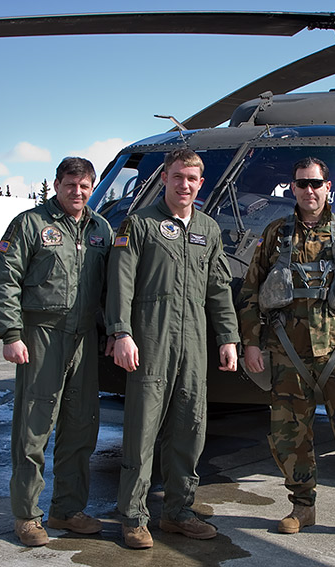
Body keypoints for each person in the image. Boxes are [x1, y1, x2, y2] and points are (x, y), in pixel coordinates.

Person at [238, 156, 335, 541]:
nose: (309, 190)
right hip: (287, 353)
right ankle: (302, 507)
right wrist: (251, 343)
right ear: (292, 188)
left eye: (315, 183)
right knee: (290, 434)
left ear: (328, 188)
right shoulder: (276, 234)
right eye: (302, 183)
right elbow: (251, 291)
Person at [106, 148, 239, 549]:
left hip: (194, 341)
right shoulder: (140, 224)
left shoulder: (208, 229)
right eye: (177, 176)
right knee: (142, 429)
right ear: (164, 178)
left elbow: (218, 288)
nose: (184, 185)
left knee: (190, 427)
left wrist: (228, 337)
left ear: (201, 184)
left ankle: (179, 511)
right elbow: (121, 282)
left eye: (191, 179)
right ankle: (133, 516)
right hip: (151, 338)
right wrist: (121, 333)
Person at [0, 157, 113, 547]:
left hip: (84, 338)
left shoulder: (100, 229)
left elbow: (112, 286)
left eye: (85, 186)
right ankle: (27, 515)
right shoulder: (30, 224)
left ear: (91, 187)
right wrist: (11, 334)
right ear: (57, 185)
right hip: (41, 334)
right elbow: (4, 278)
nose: (77, 192)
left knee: (80, 427)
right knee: (34, 428)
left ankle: (68, 509)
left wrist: (115, 330)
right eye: (70, 184)